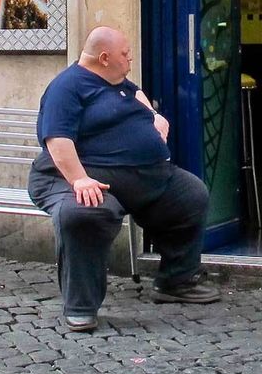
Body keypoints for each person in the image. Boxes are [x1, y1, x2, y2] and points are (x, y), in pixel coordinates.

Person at [27, 26, 221, 332]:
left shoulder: (114, 79)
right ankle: (81, 306)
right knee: (83, 213)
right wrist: (79, 180)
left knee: (190, 195)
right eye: (125, 54)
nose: (130, 58)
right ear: (104, 58)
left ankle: (177, 281)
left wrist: (152, 116)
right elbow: (57, 140)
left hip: (145, 178)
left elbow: (135, 91)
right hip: (79, 177)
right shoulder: (67, 87)